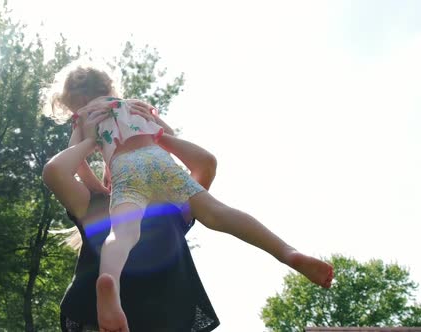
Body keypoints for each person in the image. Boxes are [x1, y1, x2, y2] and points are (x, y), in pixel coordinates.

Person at [46, 65, 334, 332]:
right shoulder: (134, 107)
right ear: (109, 86)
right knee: (218, 212)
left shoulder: (85, 117)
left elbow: (75, 165)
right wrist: (155, 131)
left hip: (126, 171)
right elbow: (174, 139)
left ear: (74, 101)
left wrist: (97, 176)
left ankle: (109, 288)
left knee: (122, 233)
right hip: (160, 160)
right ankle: (288, 253)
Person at [43, 102, 221, 331]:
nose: (131, 162)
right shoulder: (94, 207)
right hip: (101, 322)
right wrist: (87, 139)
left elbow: (205, 164)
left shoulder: (170, 207)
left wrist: (156, 129)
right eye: (117, 162)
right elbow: (56, 171)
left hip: (167, 319)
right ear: (107, 178)